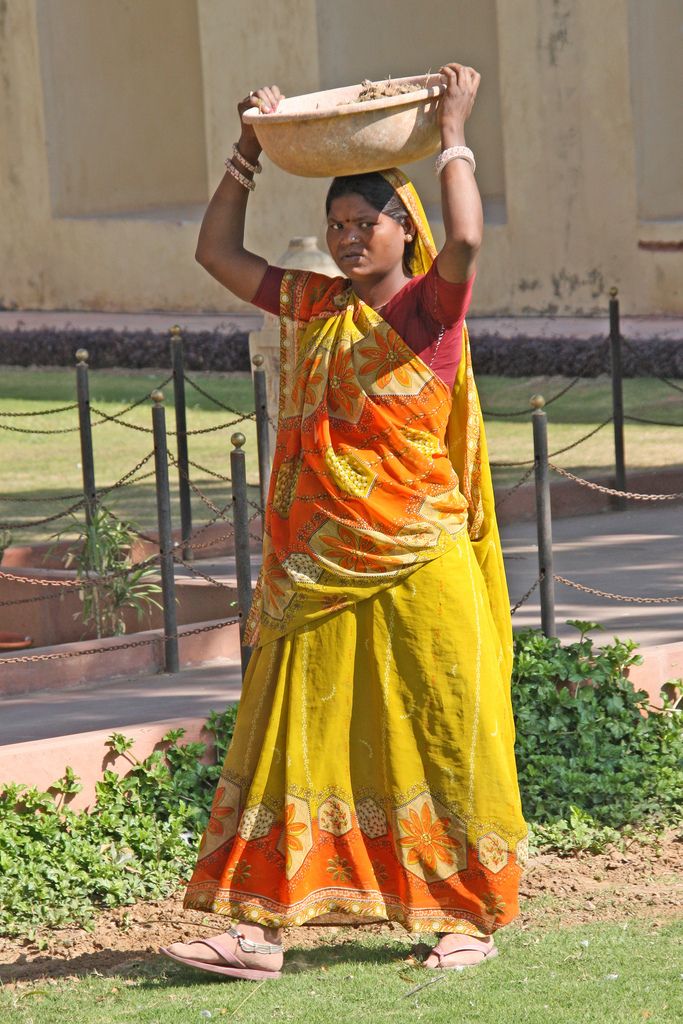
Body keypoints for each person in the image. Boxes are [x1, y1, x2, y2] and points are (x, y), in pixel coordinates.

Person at [162, 64, 527, 981]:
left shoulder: (425, 311)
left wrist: (452, 133)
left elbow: (471, 239)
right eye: (337, 227)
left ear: (408, 229)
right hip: (318, 569)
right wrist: (249, 146)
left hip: (417, 556)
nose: (348, 239)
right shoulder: (315, 304)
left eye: (367, 225)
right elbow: (215, 254)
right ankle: (257, 929)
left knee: (444, 725)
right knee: (293, 735)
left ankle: (465, 918)